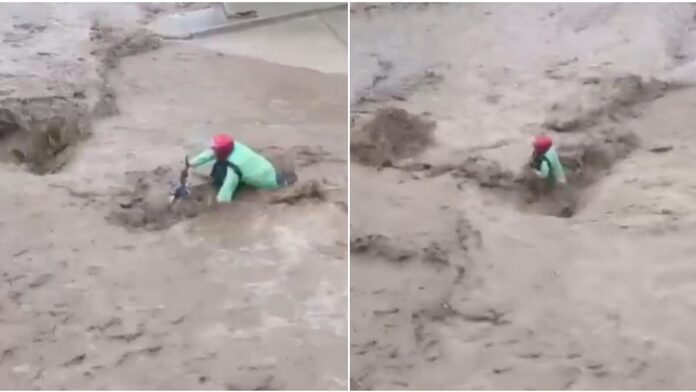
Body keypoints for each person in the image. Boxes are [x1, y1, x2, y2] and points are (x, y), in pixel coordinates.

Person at [187, 134, 297, 203]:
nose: (212, 150)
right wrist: (191, 163)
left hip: (266, 180)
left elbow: (225, 195)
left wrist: (218, 207)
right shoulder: (233, 145)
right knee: (220, 165)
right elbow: (211, 153)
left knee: (221, 172)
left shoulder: (234, 167)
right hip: (264, 167)